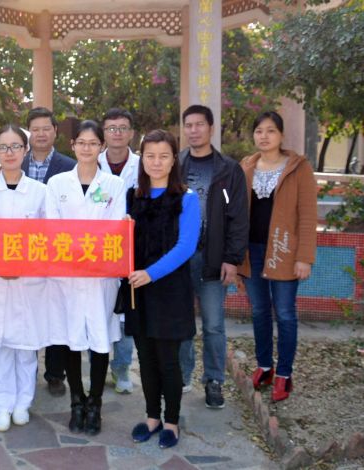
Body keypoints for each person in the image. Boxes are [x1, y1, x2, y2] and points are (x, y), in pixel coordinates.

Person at [45, 120, 126, 436]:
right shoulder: (57, 183)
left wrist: (86, 248)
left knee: (99, 339)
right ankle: (76, 401)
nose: (87, 148)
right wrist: (77, 248)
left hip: (100, 277)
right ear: (73, 145)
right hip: (65, 275)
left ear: (101, 146)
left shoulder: (114, 185)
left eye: (93, 143)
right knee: (70, 339)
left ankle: (96, 404)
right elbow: (52, 227)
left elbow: (115, 227)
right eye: (82, 142)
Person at [0, 125, 48, 432]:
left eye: (16, 146)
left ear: (26, 151)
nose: (10, 152)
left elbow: (50, 237)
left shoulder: (41, 192)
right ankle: (0, 405)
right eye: (4, 147)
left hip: (28, 281)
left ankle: (23, 403)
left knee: (26, 346)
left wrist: (24, 265)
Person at [126, 129, 200, 449]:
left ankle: (171, 421)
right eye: (150, 156)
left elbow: (186, 247)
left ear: (173, 161)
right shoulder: (133, 196)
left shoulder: (187, 198)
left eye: (163, 156)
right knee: (145, 359)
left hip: (169, 291)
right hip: (138, 290)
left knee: (168, 360)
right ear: (142, 159)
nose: (156, 162)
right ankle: (151, 417)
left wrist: (150, 274)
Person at [238, 111, 317, 402]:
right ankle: (264, 367)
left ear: (281, 135)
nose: (264, 136)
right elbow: (235, 211)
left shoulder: (298, 168)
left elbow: (308, 216)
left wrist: (304, 257)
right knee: (259, 311)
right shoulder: (246, 167)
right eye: (259, 130)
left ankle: (284, 373)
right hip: (252, 251)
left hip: (284, 252)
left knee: (284, 313)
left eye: (270, 130)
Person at [178, 104, 248, 409]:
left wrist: (232, 259)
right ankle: (182, 376)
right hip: (180, 259)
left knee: (214, 325)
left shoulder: (228, 170)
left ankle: (214, 381)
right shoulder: (176, 164)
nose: (194, 130)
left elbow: (238, 218)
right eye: (189, 125)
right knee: (181, 322)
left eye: (199, 124)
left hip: (213, 258)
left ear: (211, 128)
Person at [22, 106, 76, 397]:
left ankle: (55, 373)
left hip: (58, 251)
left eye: (46, 128)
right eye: (35, 129)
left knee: (57, 314)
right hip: (23, 252)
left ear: (55, 131)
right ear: (29, 133)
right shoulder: (16, 162)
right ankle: (25, 370)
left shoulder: (70, 166)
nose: (41, 134)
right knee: (27, 313)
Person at [99, 107, 141, 395]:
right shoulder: (92, 162)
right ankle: (98, 365)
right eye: (111, 128)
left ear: (131, 133)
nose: (117, 133)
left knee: (126, 310)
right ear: (104, 133)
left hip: (132, 248)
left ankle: (122, 366)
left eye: (122, 128)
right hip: (97, 249)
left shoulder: (142, 165)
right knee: (99, 308)